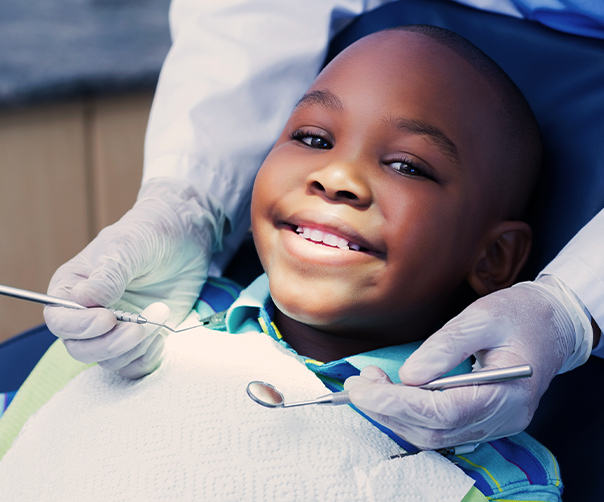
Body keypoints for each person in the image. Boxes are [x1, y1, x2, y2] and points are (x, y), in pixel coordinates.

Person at [1, 27, 562, 501]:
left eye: (408, 166)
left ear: (494, 257)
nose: (336, 177)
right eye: (314, 137)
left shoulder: (494, 478)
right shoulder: (130, 328)